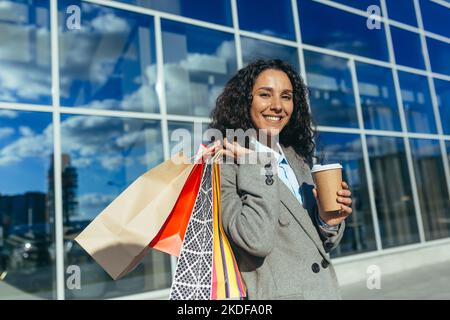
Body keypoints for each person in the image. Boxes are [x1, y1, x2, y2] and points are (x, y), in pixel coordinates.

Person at [204, 59, 353, 300]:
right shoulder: (224, 165)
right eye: (265, 94)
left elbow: (316, 245)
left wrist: (327, 222)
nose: (277, 106)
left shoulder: (298, 158)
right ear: (245, 101)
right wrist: (257, 164)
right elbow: (256, 241)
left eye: (286, 96)